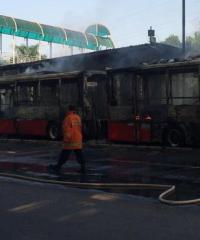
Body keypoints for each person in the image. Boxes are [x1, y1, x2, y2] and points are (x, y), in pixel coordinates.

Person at [49, 105, 85, 174]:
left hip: (70, 140)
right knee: (79, 154)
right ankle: (83, 168)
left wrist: (66, 140)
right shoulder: (78, 117)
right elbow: (80, 128)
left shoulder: (67, 118)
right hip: (78, 139)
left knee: (64, 154)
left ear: (68, 110)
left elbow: (67, 131)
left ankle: (57, 167)